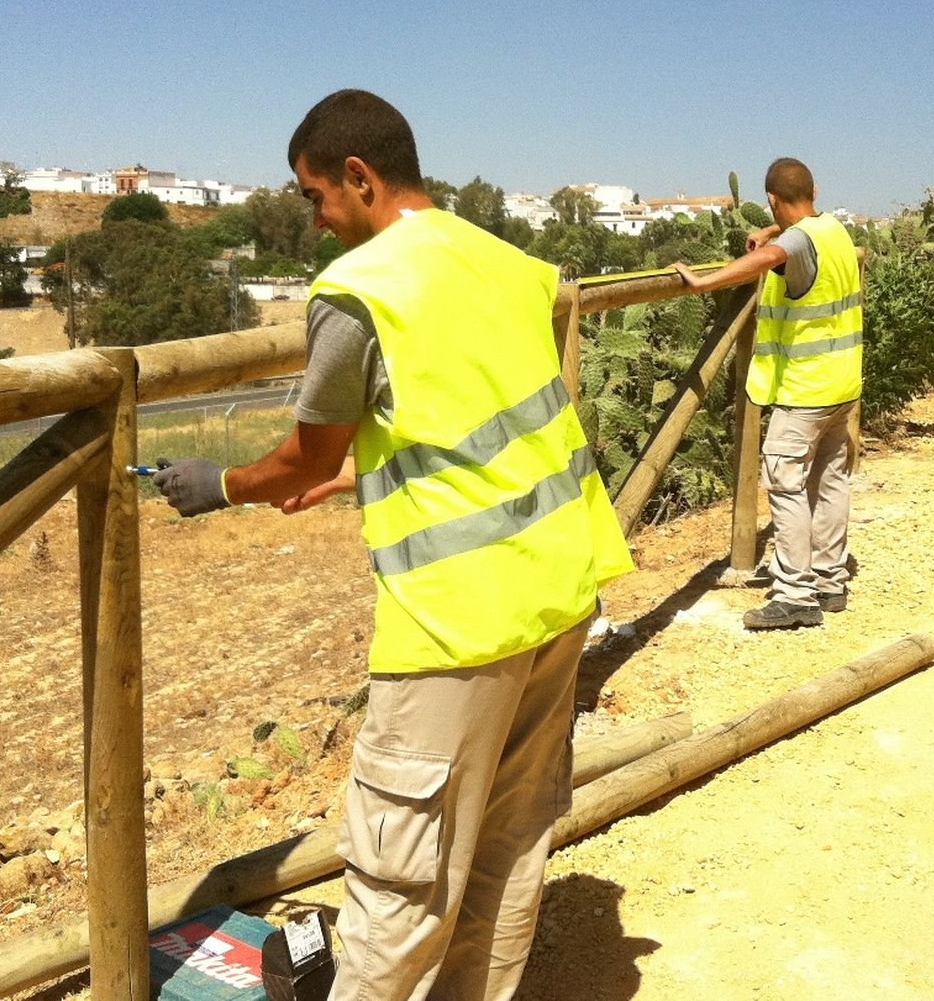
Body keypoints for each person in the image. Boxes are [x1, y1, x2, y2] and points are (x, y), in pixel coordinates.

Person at [152, 89, 633, 999]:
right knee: (504, 851)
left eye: (314, 195)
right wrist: (361, 472)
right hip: (562, 588)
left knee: (398, 884)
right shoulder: (506, 262)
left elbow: (303, 454)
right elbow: (469, 416)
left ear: (360, 178)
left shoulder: (357, 292)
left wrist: (221, 485)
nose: (316, 219)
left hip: (455, 626)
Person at [672, 156, 862, 631]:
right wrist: (771, 230)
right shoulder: (833, 229)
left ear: (773, 199)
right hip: (842, 383)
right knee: (830, 480)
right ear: (813, 193)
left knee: (785, 482)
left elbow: (771, 257)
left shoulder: (794, 242)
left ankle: (795, 593)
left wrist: (703, 280)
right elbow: (792, 238)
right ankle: (829, 579)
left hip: (805, 388)